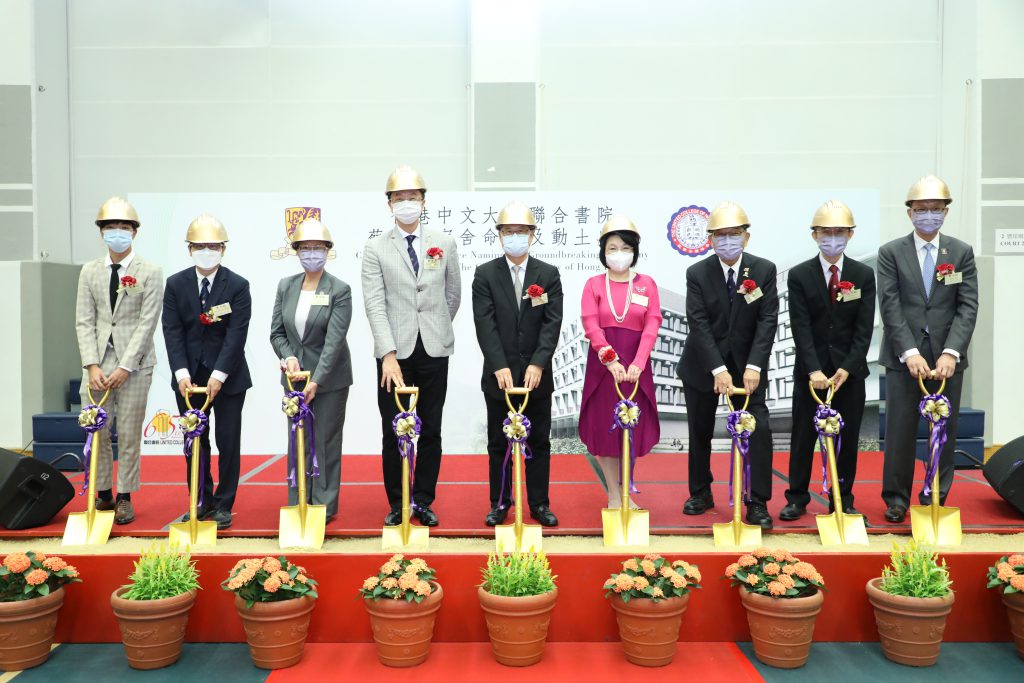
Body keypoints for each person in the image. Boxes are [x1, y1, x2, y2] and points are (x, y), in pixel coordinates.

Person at [362, 166, 461, 527]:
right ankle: (398, 502)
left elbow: (453, 295)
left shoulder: (444, 242)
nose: (407, 203)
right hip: (395, 355)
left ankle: (423, 500)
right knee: (394, 430)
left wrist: (433, 326)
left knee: (431, 429)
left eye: (413, 197)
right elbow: (374, 303)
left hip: (434, 348)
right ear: (389, 204)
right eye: (399, 198)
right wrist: (387, 354)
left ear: (423, 200)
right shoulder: (375, 248)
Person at [878, 175, 978, 523]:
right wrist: (910, 352)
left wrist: (952, 352)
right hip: (904, 358)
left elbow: (967, 306)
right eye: (922, 210)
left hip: (947, 358)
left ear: (946, 213)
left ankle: (937, 493)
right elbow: (890, 306)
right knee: (900, 431)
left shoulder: (960, 253)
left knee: (943, 430)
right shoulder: (891, 252)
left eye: (936, 210)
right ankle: (896, 498)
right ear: (909, 213)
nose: (929, 216)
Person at [676, 201, 779, 529]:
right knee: (700, 431)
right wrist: (718, 369)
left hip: (749, 368)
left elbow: (767, 320)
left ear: (746, 237)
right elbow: (699, 322)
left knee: (758, 429)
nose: (727, 241)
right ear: (710, 240)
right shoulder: (697, 273)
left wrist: (754, 366)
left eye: (733, 234)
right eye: (720, 236)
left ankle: (757, 500)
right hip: (702, 365)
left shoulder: (763, 271)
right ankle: (700, 491)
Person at [780, 200, 875, 521]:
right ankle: (796, 497)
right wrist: (815, 370)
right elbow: (800, 326)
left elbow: (864, 329)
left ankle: (842, 498)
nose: (832, 238)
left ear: (850, 234)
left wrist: (847, 368)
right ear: (814, 235)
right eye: (825, 232)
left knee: (847, 439)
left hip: (850, 373)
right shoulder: (800, 275)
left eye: (838, 232)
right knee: (803, 437)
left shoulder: (863, 275)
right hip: (811, 372)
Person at [472, 201, 563, 527]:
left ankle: (539, 503)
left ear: (532, 234)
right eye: (509, 231)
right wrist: (499, 365)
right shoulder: (485, 275)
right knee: (499, 442)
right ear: (499, 236)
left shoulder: (548, 275)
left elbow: (552, 323)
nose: (515, 237)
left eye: (521, 231)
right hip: (500, 376)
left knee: (538, 440)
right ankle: (500, 503)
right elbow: (485, 323)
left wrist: (539, 363)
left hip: (537, 375)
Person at [74, 196, 163, 525]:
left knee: (127, 432)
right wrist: (92, 365)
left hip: (136, 366)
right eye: (110, 227)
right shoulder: (89, 271)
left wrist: (126, 366)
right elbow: (84, 320)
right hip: (97, 364)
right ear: (101, 232)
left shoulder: (150, 272)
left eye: (124, 227)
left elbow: (147, 321)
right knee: (95, 430)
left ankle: (125, 495)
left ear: (135, 232)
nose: (117, 233)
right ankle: (103, 493)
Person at [161, 214, 252, 530]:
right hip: (188, 380)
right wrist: (181, 373)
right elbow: (171, 330)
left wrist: (218, 376)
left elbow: (236, 334)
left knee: (228, 442)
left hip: (228, 379)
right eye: (200, 246)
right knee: (194, 441)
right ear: (189, 249)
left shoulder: (238, 286)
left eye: (213, 245)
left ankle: (225, 504)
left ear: (223, 249)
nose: (206, 251)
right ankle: (200, 500)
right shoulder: (175, 284)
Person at [270, 218, 352, 525]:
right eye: (306, 248)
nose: (312, 254)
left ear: (328, 251)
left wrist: (316, 379)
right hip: (294, 381)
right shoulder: (286, 286)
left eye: (318, 248)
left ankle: (324, 506)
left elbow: (334, 340)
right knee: (297, 439)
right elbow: (277, 333)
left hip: (329, 379)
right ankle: (298, 499)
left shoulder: (339, 290)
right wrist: (288, 357)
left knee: (325, 439)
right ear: (297, 251)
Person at [578, 215, 662, 510]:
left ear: (635, 251)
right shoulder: (593, 284)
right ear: (603, 251)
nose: (618, 254)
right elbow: (591, 324)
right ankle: (614, 495)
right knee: (607, 429)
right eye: (612, 248)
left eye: (624, 247)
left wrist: (638, 361)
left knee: (633, 427)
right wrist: (610, 360)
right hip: (604, 367)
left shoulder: (647, 284)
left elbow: (652, 324)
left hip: (637, 366)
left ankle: (626, 490)